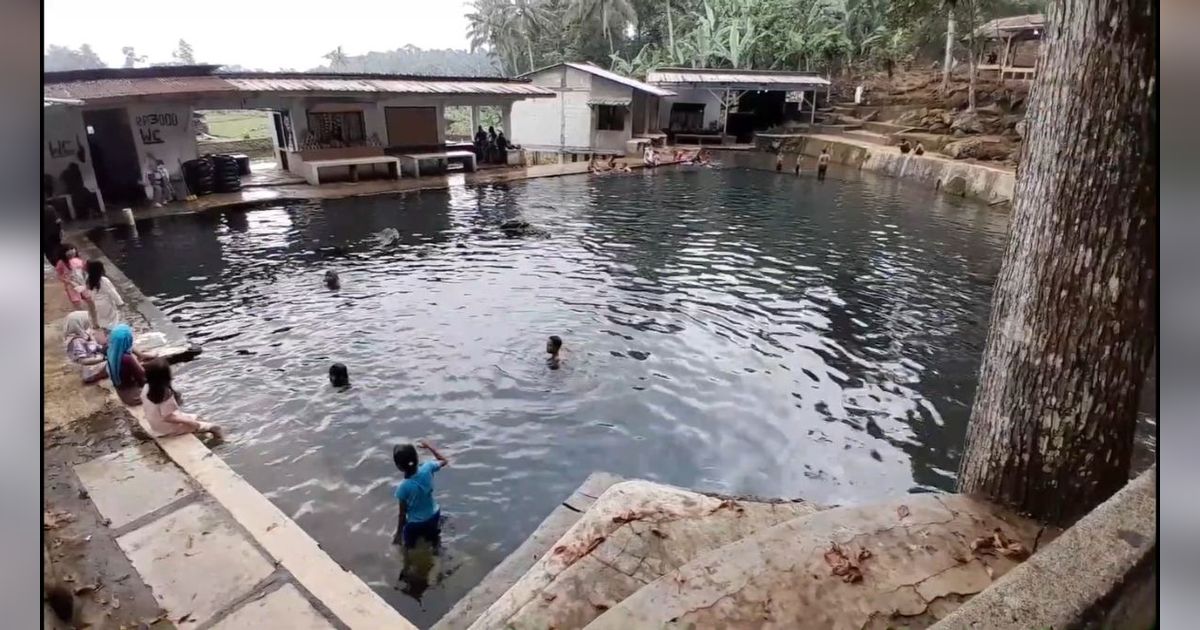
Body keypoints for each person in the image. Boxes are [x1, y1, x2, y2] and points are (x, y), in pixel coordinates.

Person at [142, 358, 223, 439]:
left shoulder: (146, 387)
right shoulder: (164, 393)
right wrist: (191, 423)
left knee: (197, 417)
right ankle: (223, 440)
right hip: (168, 429)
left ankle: (201, 430)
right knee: (215, 427)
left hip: (156, 426)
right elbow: (168, 417)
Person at [393, 440, 450, 549]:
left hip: (415, 525)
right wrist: (429, 447)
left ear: (399, 467)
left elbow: (402, 515)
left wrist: (398, 534)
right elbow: (444, 461)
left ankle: (407, 565)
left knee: (408, 548)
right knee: (435, 540)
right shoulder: (428, 467)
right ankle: (437, 553)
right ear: (417, 458)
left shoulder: (403, 488)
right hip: (434, 515)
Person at [82, 260, 124, 339]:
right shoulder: (104, 280)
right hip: (107, 304)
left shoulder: (88, 280)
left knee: (102, 321)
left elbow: (91, 294)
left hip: (97, 304)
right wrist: (120, 302)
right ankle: (113, 336)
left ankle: (106, 335)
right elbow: (112, 292)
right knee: (112, 320)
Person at [106, 324, 147, 406]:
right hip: (134, 397)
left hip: (122, 392)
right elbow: (142, 374)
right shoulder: (127, 358)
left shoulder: (110, 351)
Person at [63, 311, 107, 383]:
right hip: (89, 364)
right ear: (79, 323)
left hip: (94, 357)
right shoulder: (76, 341)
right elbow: (82, 361)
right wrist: (102, 358)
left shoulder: (83, 333)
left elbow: (95, 345)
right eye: (86, 320)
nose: (89, 322)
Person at [54, 243, 86, 309]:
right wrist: (67, 281)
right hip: (71, 285)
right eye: (68, 250)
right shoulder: (61, 263)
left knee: (87, 298)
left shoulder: (79, 260)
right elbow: (58, 275)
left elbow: (84, 270)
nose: (71, 251)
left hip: (82, 282)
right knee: (77, 302)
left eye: (72, 249)